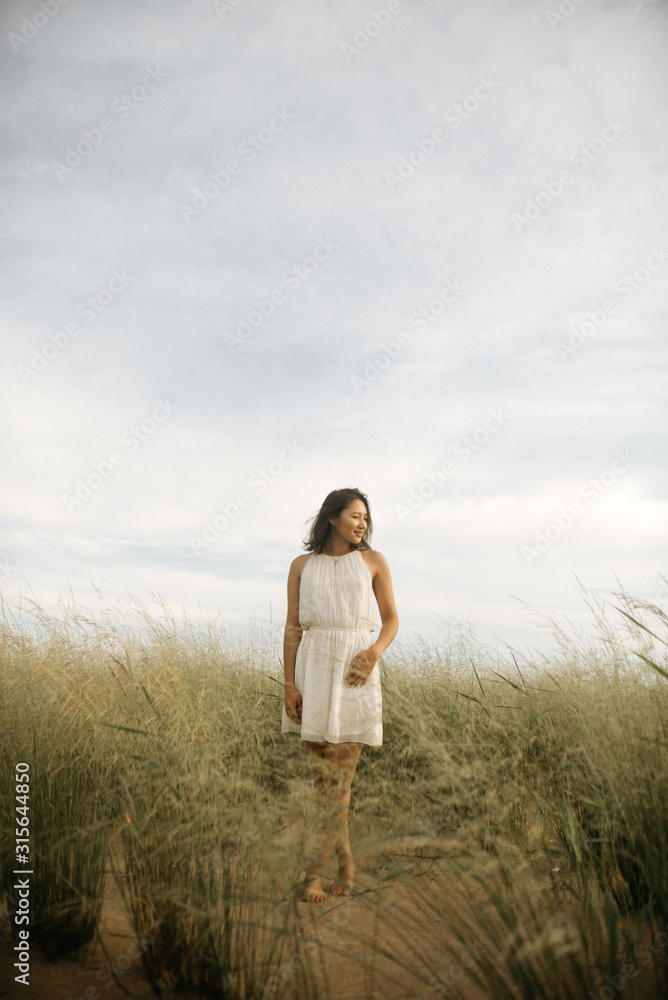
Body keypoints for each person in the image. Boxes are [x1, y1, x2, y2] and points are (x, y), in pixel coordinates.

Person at [281, 487, 399, 902]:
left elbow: (391, 621)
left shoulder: (373, 562)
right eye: (355, 515)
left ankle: (311, 874)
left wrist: (373, 652)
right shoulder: (301, 565)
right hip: (311, 669)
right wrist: (289, 685)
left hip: (355, 671)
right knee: (323, 786)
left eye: (366, 517)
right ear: (333, 518)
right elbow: (293, 628)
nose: (363, 523)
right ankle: (347, 866)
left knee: (339, 784)